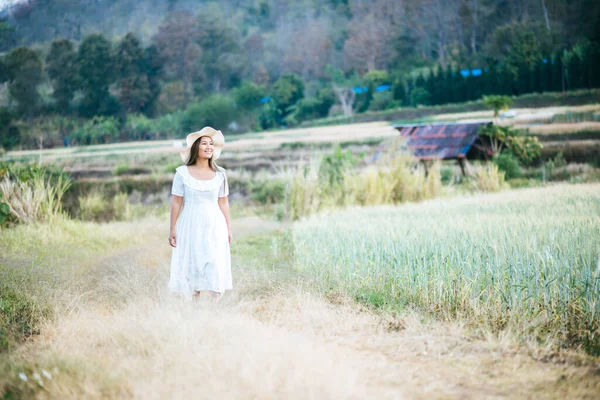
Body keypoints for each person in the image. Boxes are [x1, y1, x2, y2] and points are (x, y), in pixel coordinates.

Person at [168, 127, 232, 301]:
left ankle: (214, 306)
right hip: (190, 222)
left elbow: (223, 202)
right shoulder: (182, 173)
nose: (209, 147)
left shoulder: (220, 175)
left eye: (211, 144)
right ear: (196, 147)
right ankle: (194, 305)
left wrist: (228, 228)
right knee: (192, 262)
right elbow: (176, 201)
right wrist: (172, 228)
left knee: (214, 261)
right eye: (204, 143)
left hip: (215, 223)